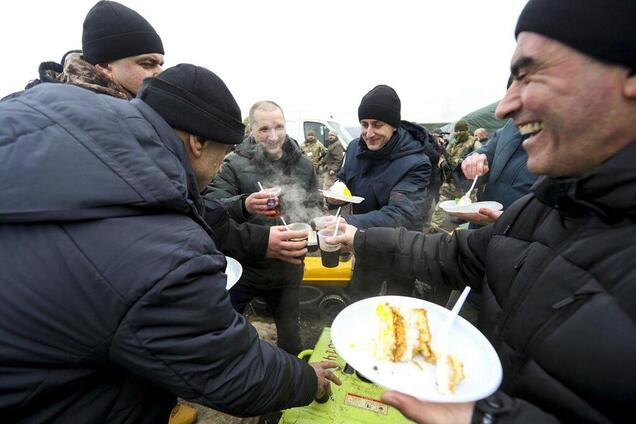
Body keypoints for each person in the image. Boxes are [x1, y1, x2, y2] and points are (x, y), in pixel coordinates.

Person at [330, 0, 636, 422]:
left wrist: (487, 418)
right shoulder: (540, 209)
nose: (505, 108)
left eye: (529, 74)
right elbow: (451, 255)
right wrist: (358, 236)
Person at [0, 64, 340, 423]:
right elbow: (229, 367)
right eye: (222, 154)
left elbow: (197, 208)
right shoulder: (164, 247)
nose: (221, 164)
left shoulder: (65, 122)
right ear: (198, 142)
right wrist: (305, 378)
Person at [205, 100, 321, 355]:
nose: (273, 136)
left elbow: (314, 205)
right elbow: (209, 207)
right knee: (227, 333)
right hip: (244, 268)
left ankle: (295, 385)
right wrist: (244, 204)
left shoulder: (303, 165)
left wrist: (314, 224)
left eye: (279, 127)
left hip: (287, 270)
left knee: (291, 337)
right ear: (251, 131)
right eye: (264, 129)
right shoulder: (232, 164)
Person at [327, 84, 435, 300]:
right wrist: (335, 196)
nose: (369, 133)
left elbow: (401, 215)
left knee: (396, 305)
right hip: (364, 242)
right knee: (359, 297)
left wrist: (348, 222)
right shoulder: (355, 148)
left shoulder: (416, 162)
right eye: (364, 124)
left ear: (393, 126)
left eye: (377, 125)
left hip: (401, 246)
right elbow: (344, 179)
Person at [455, 118, 537, 226]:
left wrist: (511, 222)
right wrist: (469, 165)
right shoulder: (513, 126)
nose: (500, 111)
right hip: (479, 228)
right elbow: (488, 153)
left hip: (521, 236)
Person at [429, 119, 482, 234]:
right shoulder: (453, 142)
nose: (458, 133)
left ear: (466, 131)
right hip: (450, 181)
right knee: (441, 204)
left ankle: (472, 231)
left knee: (470, 208)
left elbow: (480, 159)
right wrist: (443, 163)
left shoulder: (474, 143)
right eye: (456, 131)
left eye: (460, 131)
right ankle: (434, 226)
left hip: (466, 184)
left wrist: (462, 164)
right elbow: (443, 156)